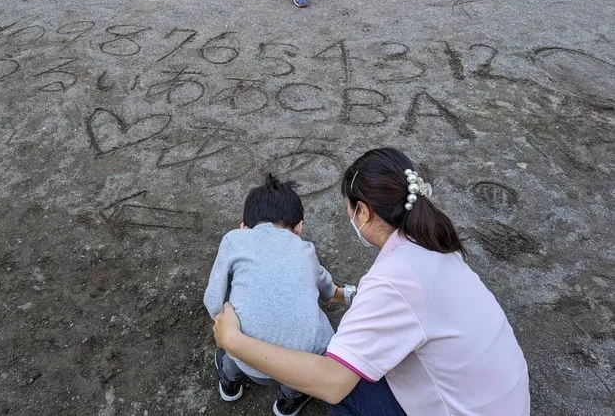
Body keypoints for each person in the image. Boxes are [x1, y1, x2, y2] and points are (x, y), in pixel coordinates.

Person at [213, 148, 531, 415]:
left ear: (363, 212)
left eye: (349, 210)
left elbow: (333, 383)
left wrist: (233, 341)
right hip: (505, 400)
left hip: (464, 409)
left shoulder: (392, 281)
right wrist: (345, 294)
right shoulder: (432, 246)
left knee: (343, 389)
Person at [204, 173, 350, 416]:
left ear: (244, 226)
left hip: (244, 357)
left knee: (232, 331)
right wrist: (338, 293)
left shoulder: (234, 240)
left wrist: (225, 315)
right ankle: (289, 399)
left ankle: (230, 381)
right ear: (299, 228)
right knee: (322, 332)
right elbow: (327, 289)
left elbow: (213, 299)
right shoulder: (306, 250)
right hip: (300, 368)